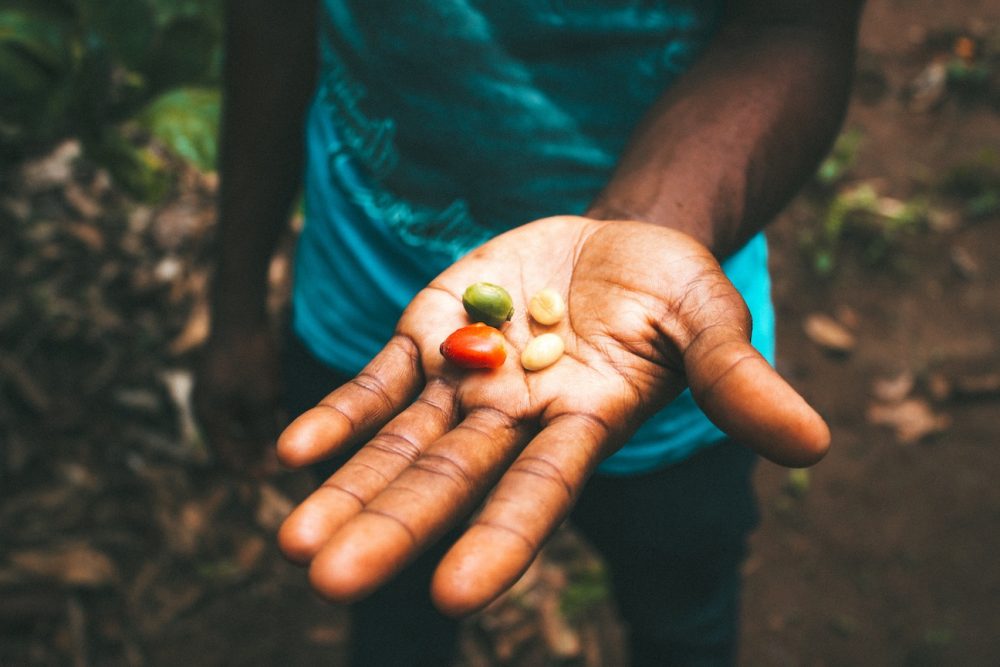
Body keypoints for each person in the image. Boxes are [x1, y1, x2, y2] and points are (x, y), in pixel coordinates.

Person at [195, 1, 864, 664]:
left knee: (681, 612)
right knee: (391, 607)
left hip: (648, 344)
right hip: (362, 303)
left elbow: (793, 24)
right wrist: (236, 303)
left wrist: (644, 224)